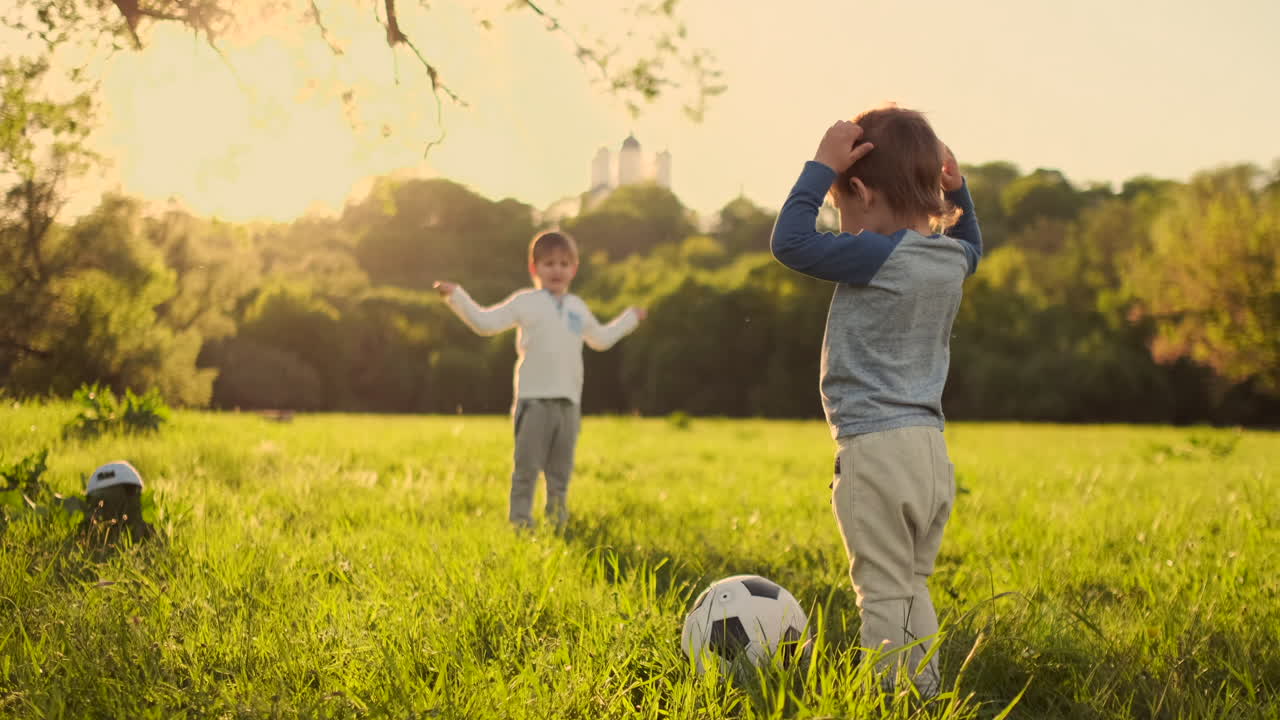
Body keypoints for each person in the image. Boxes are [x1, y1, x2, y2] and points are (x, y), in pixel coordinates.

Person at [770, 106, 982, 695]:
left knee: (882, 591)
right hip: (931, 452)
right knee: (911, 582)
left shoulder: (873, 254)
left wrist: (820, 166)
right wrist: (959, 190)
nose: (842, 225)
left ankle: (893, 701)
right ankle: (927, 691)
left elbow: (788, 242)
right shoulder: (952, 260)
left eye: (841, 207)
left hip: (875, 449)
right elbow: (973, 239)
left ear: (860, 191)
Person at [434, 230, 646, 529]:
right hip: (533, 402)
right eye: (549, 263)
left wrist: (630, 318)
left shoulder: (577, 307)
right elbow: (485, 322)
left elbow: (601, 339)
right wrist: (456, 296)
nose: (556, 270)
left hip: (568, 403)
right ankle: (520, 524)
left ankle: (557, 523)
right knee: (527, 469)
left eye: (564, 263)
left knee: (560, 472)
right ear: (534, 268)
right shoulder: (526, 302)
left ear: (574, 268)